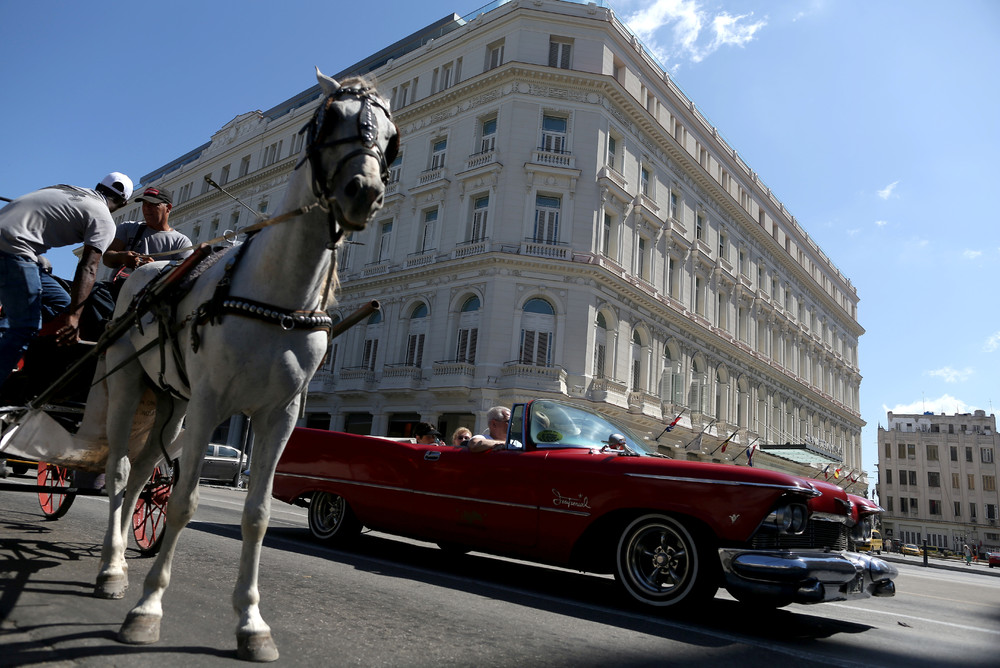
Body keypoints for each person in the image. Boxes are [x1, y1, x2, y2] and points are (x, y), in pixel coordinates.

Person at [0, 172, 132, 387]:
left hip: (16, 250)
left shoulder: (63, 188)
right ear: (123, 203)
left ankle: (7, 331)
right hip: (13, 250)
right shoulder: (104, 219)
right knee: (25, 325)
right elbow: (88, 267)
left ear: (99, 186)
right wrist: (75, 317)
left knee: (61, 301)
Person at [102, 186, 191, 296]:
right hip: (119, 292)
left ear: (168, 208)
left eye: (153, 204)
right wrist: (123, 257)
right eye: (145, 204)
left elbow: (186, 276)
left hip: (152, 299)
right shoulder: (128, 228)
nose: (147, 208)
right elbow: (106, 258)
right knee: (95, 292)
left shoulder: (181, 242)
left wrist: (154, 269)